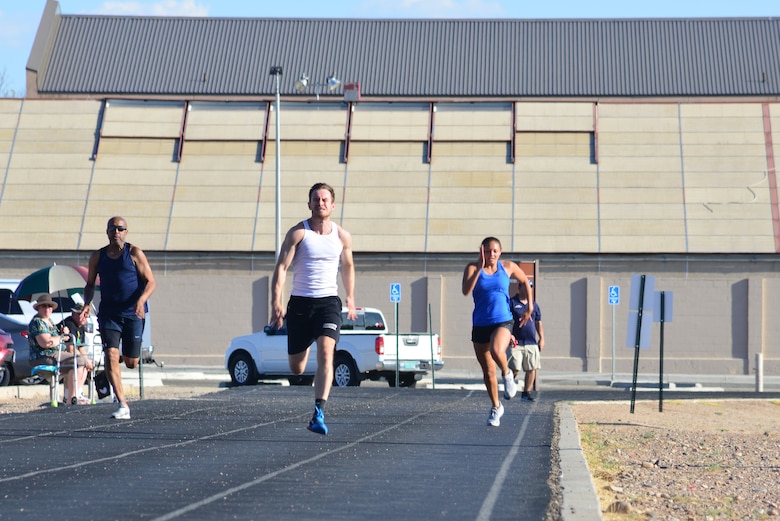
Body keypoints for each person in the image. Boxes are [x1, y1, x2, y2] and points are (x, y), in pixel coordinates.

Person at [270, 182, 356, 435]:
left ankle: (319, 410)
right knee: (297, 369)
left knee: (327, 353)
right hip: (299, 304)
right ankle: (304, 344)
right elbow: (281, 268)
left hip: (328, 302)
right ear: (309, 204)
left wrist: (350, 296)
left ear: (332, 205)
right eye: (316, 199)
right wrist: (276, 301)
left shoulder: (342, 236)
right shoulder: (298, 233)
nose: (320, 203)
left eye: (325, 199)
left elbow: (348, 266)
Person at [82, 216, 156, 419]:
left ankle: (114, 363)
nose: (116, 232)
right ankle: (123, 404)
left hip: (133, 314)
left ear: (126, 232)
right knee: (111, 354)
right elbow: (89, 284)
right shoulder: (98, 256)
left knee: (131, 362)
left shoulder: (134, 253)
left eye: (120, 229)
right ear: (107, 232)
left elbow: (151, 282)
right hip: (109, 314)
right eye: (112, 228)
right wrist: (86, 304)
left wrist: (141, 301)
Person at [462, 237, 533, 427]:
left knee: (496, 350)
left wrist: (530, 307)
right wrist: (478, 267)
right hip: (480, 324)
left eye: (494, 251)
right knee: (487, 371)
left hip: (503, 320)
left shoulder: (507, 267)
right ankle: (496, 407)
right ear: (481, 251)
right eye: (487, 251)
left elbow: (525, 281)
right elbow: (465, 290)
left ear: (500, 252)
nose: (491, 255)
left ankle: (508, 374)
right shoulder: (472, 268)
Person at [27, 293, 85, 404]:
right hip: (42, 356)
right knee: (78, 360)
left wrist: (63, 333)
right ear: (38, 307)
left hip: (55, 354)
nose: (47, 309)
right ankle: (72, 398)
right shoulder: (37, 322)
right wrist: (62, 337)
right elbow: (46, 343)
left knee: (78, 362)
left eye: (49, 306)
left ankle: (71, 396)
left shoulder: (50, 321)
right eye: (44, 306)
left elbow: (55, 338)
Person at [508, 279, 544, 402]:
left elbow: (538, 322)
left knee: (531, 368)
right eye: (526, 287)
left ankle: (526, 393)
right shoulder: (512, 303)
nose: (529, 289)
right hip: (516, 342)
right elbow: (507, 321)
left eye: (530, 287)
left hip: (531, 342)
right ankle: (509, 386)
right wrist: (509, 335)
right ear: (519, 288)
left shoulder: (533, 305)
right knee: (515, 368)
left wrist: (542, 338)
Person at [59, 302, 95, 405]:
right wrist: (85, 360)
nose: (84, 317)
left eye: (86, 315)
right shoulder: (69, 324)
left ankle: (78, 392)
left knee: (85, 362)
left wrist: (87, 359)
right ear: (74, 313)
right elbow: (71, 348)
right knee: (80, 362)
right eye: (81, 314)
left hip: (71, 355)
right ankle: (71, 395)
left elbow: (81, 347)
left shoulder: (81, 326)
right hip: (61, 353)